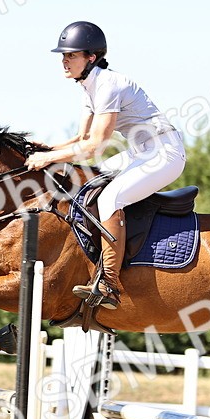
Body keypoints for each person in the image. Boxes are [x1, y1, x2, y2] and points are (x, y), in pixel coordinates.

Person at [25, 21, 186, 310]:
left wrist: (48, 159)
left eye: (71, 55)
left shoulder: (108, 85)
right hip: (141, 152)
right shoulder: (89, 87)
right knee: (89, 182)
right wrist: (47, 149)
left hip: (165, 153)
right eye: (63, 55)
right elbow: (81, 138)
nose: (64, 61)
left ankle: (109, 283)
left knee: (110, 198)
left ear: (91, 57)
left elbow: (95, 146)